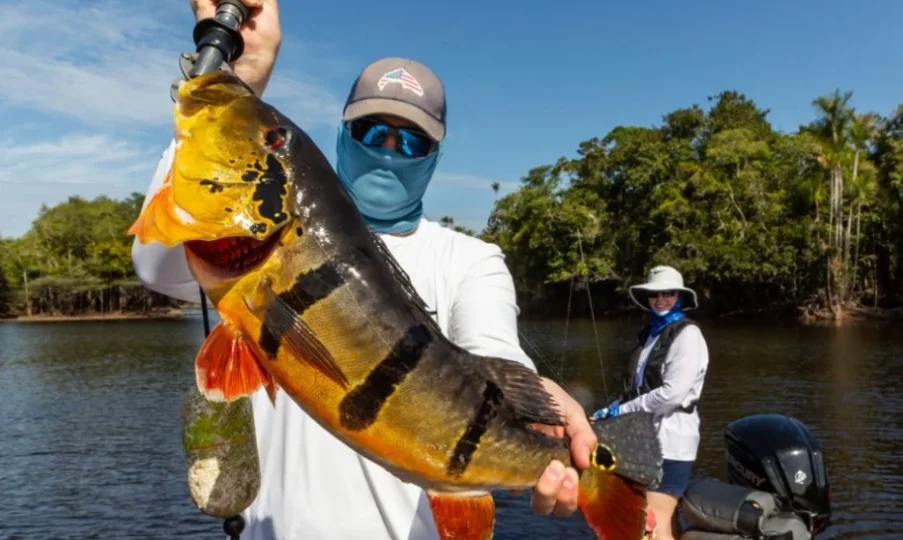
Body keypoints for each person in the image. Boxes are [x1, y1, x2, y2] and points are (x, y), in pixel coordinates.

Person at [131, 1, 597, 538]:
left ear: (434, 155)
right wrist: (241, 80)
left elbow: (496, 351)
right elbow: (155, 264)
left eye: (412, 139)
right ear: (342, 135)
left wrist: (541, 415)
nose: (390, 150)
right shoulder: (259, 247)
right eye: (373, 132)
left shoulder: (472, 260)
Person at [591, 265, 710, 540]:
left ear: (679, 296)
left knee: (653, 520)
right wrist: (611, 409)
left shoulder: (688, 335)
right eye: (654, 294)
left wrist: (622, 410)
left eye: (668, 294)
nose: (660, 300)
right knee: (653, 516)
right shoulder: (652, 334)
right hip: (645, 439)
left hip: (672, 442)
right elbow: (638, 390)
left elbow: (672, 394)